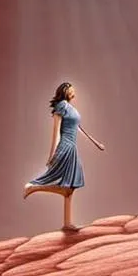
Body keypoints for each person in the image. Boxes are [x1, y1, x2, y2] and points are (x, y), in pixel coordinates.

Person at [23, 81, 104, 233]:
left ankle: (67, 223)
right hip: (65, 147)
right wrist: (52, 154)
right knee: (65, 184)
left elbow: (80, 128)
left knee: (71, 186)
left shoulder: (72, 109)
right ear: (64, 91)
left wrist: (96, 143)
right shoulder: (61, 106)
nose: (73, 92)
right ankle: (33, 187)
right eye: (70, 90)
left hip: (73, 148)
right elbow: (56, 132)